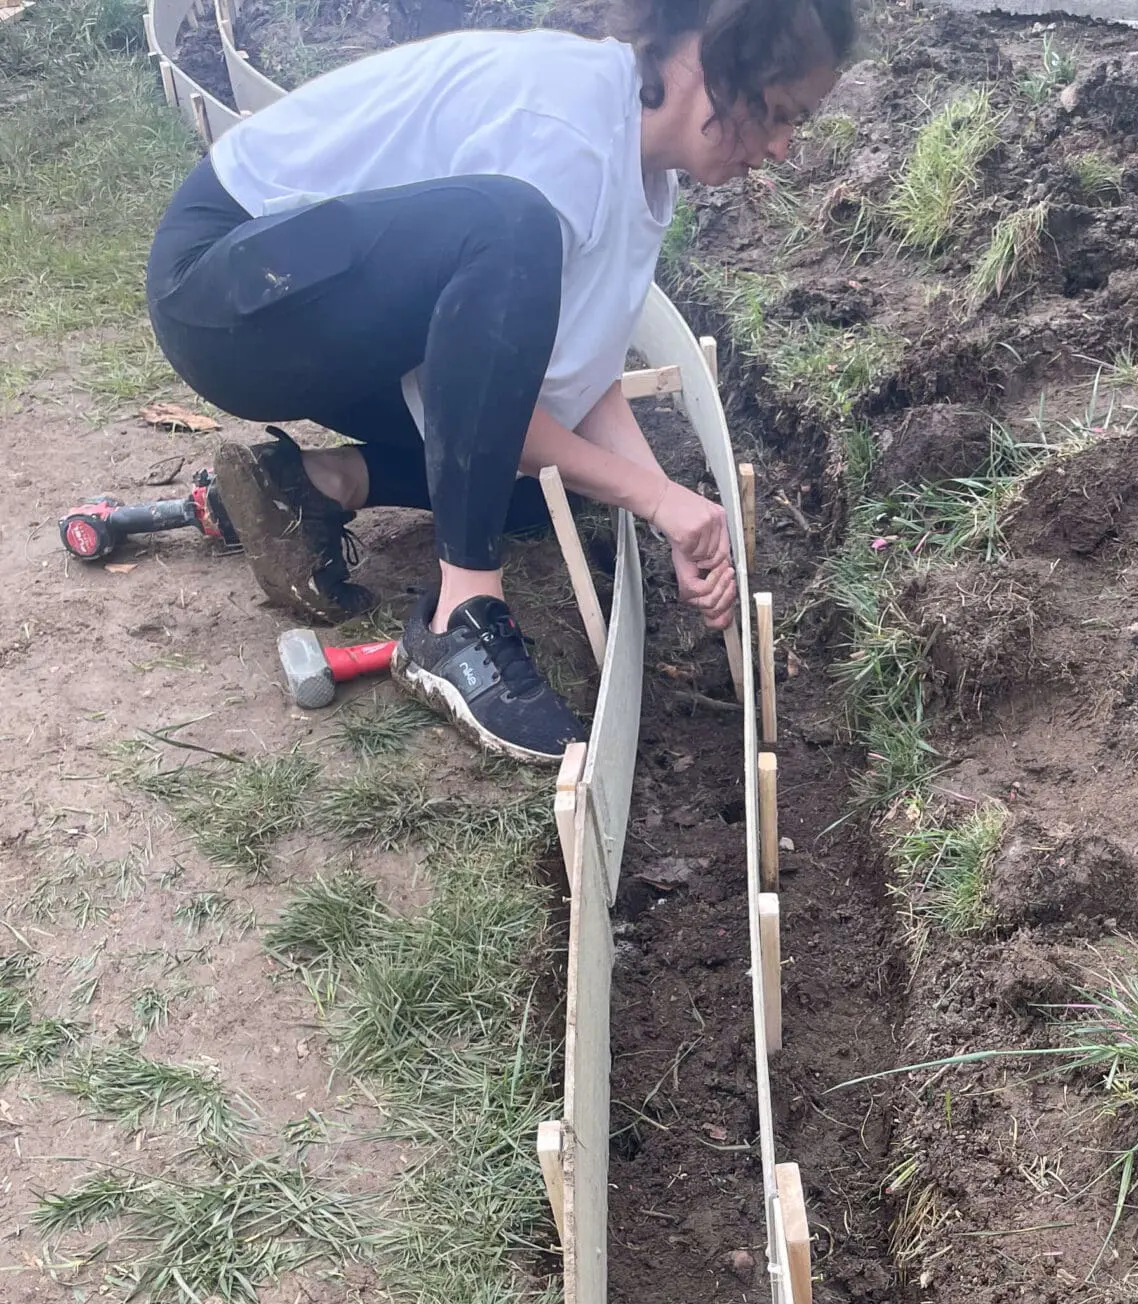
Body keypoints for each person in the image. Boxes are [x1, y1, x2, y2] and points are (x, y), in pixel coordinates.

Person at [144, 0, 852, 763]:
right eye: (778, 114)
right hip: (229, 293)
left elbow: (570, 384)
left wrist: (667, 514)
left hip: (312, 304)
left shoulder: (640, 176)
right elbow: (497, 395)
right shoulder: (564, 129)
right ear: (716, 64)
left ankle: (312, 485)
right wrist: (657, 495)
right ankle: (461, 614)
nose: (782, 148)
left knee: (551, 485)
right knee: (506, 229)